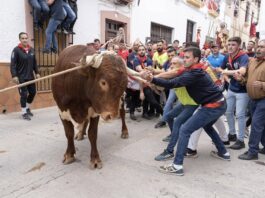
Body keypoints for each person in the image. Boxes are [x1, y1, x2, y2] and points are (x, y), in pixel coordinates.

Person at [141, 47, 230, 176]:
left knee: (185, 129)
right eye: (184, 57)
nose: (185, 59)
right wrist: (154, 73)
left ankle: (177, 165)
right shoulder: (192, 68)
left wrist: (152, 79)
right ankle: (223, 152)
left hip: (213, 106)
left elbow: (173, 82)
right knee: (207, 126)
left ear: (196, 59)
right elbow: (173, 73)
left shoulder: (193, 74)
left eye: (187, 57)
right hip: (219, 103)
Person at [220, 37, 250, 150]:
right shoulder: (227, 56)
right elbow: (220, 69)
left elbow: (242, 71)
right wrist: (227, 77)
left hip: (243, 91)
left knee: (240, 115)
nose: (230, 46)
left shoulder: (243, 56)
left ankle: (241, 140)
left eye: (233, 44)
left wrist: (226, 72)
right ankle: (232, 134)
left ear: (238, 46)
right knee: (228, 112)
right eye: (229, 44)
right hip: (231, 89)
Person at [238, 39, 265, 160]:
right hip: (253, 99)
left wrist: (263, 85)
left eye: (262, 47)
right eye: (258, 46)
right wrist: (240, 79)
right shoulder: (252, 61)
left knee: (256, 125)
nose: (259, 49)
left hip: (263, 99)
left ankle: (253, 151)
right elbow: (247, 79)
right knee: (261, 125)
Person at [10, 32, 40, 120]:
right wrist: (14, 75)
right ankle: (23, 113)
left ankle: (27, 108)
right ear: (20, 39)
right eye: (22, 38)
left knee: (33, 93)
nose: (24, 40)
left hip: (30, 76)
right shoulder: (16, 50)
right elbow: (13, 64)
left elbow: (34, 63)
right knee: (23, 94)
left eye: (26, 38)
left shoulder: (31, 50)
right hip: (21, 77)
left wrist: (37, 73)